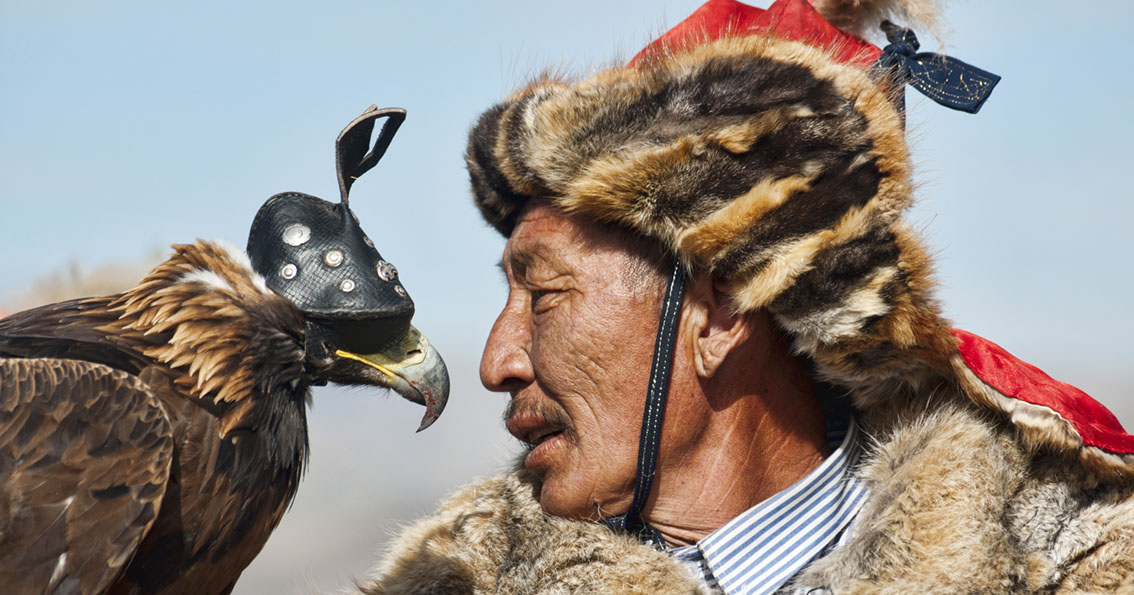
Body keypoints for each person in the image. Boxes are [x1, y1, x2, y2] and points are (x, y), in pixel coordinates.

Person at [363, 0, 1134, 592]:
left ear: (723, 308)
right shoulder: (462, 577)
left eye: (545, 292)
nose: (498, 361)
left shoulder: (1071, 561)